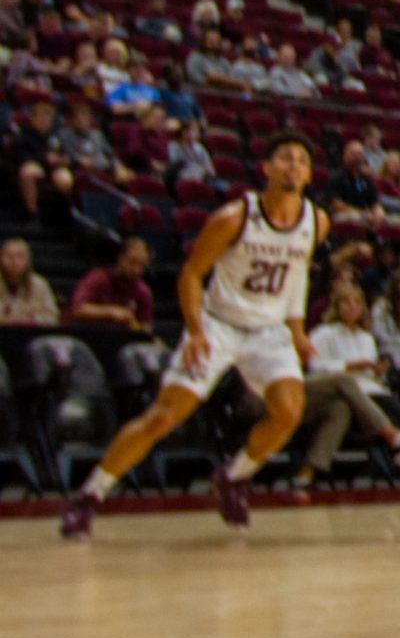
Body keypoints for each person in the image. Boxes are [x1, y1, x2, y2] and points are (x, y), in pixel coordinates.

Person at [62, 133, 324, 539]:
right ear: (267, 168)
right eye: (285, 158)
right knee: (165, 415)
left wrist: (298, 331)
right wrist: (197, 331)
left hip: (268, 331)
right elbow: (191, 274)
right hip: (218, 324)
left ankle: (233, 477)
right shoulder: (233, 218)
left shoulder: (315, 221)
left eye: (302, 160)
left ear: (309, 174)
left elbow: (296, 279)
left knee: (289, 412)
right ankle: (90, 495)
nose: (294, 166)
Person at [292, 281, 400, 489]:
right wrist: (351, 365)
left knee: (389, 402)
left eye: (357, 302)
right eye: (346, 302)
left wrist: (378, 372)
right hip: (343, 393)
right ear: (336, 307)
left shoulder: (367, 338)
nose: (352, 306)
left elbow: (371, 375)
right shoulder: (323, 333)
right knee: (376, 402)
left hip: (369, 392)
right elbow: (316, 367)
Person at [68, 236, 157, 330]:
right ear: (121, 258)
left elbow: (146, 326)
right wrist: (111, 312)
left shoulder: (143, 291)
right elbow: (77, 309)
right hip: (89, 333)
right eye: (132, 262)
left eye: (142, 266)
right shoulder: (98, 278)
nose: (137, 270)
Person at [0, 235, 59, 324]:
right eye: (9, 256)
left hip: (31, 335)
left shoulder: (39, 284)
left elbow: (52, 317)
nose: (14, 261)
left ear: (28, 260)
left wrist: (30, 322)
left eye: (20, 256)